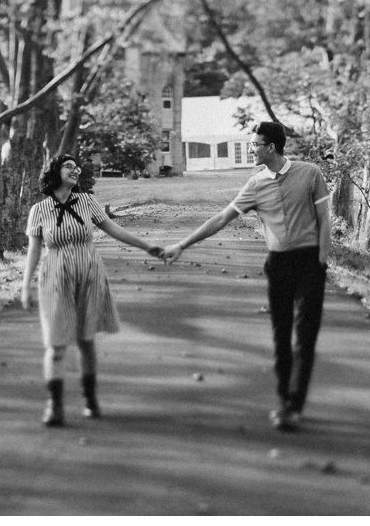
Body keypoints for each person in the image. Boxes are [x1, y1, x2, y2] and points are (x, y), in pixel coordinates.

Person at [162, 120, 331, 432]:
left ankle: (294, 404)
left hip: (309, 263)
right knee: (281, 335)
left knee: (306, 334)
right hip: (279, 264)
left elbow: (324, 218)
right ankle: (284, 400)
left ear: (271, 147)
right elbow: (221, 219)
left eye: (255, 145)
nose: (251, 149)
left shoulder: (310, 173)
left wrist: (321, 260)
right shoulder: (255, 185)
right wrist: (182, 244)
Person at [20, 153, 163, 426]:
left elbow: (113, 229)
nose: (75, 170)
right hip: (56, 277)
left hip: (89, 274)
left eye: (77, 167)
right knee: (56, 344)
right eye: (68, 166)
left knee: (86, 341)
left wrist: (147, 246)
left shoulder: (87, 201)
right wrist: (25, 286)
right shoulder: (39, 210)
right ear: (54, 172)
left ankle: (90, 399)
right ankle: (55, 406)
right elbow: (34, 251)